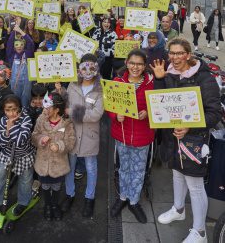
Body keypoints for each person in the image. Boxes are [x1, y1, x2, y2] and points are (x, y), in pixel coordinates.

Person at [150, 38, 222, 243]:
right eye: (171, 53)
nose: (175, 57)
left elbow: (214, 114)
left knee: (195, 185)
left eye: (180, 53)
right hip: (172, 139)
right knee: (177, 175)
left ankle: (200, 231)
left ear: (188, 54)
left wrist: (190, 126)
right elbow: (160, 104)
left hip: (194, 141)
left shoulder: (204, 78)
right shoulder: (169, 73)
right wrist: (160, 78)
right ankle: (179, 208)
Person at [109, 50, 154, 223]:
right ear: (127, 63)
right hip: (122, 134)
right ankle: (122, 198)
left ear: (144, 66)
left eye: (140, 64)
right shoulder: (117, 81)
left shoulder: (151, 83)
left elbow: (158, 105)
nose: (136, 67)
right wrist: (115, 115)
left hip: (142, 136)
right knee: (123, 168)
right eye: (132, 63)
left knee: (138, 170)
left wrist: (148, 112)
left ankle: (134, 202)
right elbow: (109, 105)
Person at [61, 54, 104, 218]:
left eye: (91, 67)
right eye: (84, 67)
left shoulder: (100, 89)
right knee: (69, 166)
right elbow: (66, 103)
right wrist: (60, 92)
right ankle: (69, 194)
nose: (87, 71)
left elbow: (96, 115)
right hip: (72, 133)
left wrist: (72, 112)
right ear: (79, 69)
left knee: (91, 167)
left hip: (90, 135)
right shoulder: (72, 85)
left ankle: (89, 198)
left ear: (96, 68)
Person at [0, 96, 35, 218]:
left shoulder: (26, 119)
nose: (11, 113)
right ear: (4, 110)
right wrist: (7, 131)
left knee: (25, 181)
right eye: (7, 110)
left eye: (14, 109)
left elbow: (20, 140)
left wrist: (10, 128)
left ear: (19, 108)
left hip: (24, 155)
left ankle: (23, 202)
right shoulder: (3, 121)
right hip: (7, 154)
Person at [32, 92, 76, 221]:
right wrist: (40, 139)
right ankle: (47, 205)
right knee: (45, 185)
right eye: (44, 107)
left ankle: (55, 205)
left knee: (56, 186)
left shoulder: (66, 124)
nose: (44, 109)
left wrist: (60, 146)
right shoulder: (40, 120)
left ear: (57, 110)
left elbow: (71, 141)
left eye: (48, 107)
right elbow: (34, 135)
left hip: (59, 163)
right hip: (43, 162)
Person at [6, 24, 34, 108]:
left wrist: (21, 31)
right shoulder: (11, 55)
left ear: (24, 46)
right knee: (15, 104)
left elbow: (31, 43)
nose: (19, 47)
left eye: (21, 45)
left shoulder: (27, 54)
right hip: (15, 84)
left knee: (25, 105)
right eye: (17, 45)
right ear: (14, 46)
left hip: (26, 84)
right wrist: (14, 30)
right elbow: (9, 43)